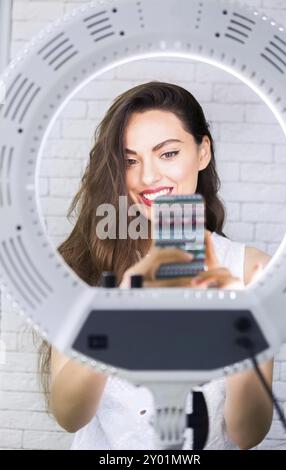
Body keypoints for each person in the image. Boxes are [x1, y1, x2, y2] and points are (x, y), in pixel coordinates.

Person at [38, 81, 273, 450]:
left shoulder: (250, 270)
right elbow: (70, 416)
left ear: (203, 152)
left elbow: (248, 435)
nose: (148, 177)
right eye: (130, 160)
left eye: (167, 154)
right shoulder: (81, 266)